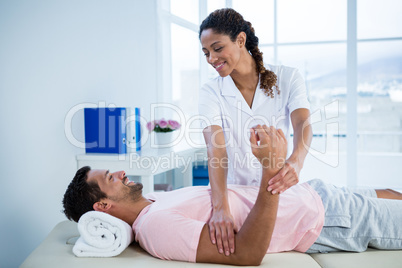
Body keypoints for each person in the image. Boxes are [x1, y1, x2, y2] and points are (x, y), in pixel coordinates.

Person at [63, 125, 402, 266]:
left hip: (313, 192)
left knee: (391, 192)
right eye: (111, 178)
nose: (121, 173)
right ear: (103, 205)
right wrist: (270, 167)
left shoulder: (153, 201)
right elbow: (247, 254)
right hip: (326, 220)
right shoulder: (156, 228)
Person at [198, 8, 313, 255]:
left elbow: (302, 123)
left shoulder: (287, 77)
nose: (211, 59)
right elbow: (215, 148)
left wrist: (296, 161)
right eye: (206, 52)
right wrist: (220, 208)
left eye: (217, 49)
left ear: (240, 40)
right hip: (233, 195)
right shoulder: (210, 92)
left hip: (277, 189)